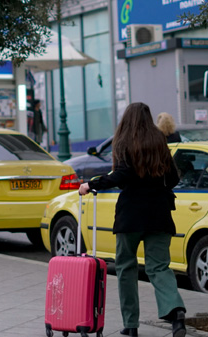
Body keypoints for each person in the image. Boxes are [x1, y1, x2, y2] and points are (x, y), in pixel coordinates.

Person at [78, 102, 186, 337]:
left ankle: (131, 325)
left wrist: (91, 184)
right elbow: (174, 177)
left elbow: (121, 174)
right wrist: (156, 187)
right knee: (159, 267)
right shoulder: (159, 141)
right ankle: (176, 313)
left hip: (131, 215)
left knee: (126, 267)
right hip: (159, 213)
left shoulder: (124, 140)